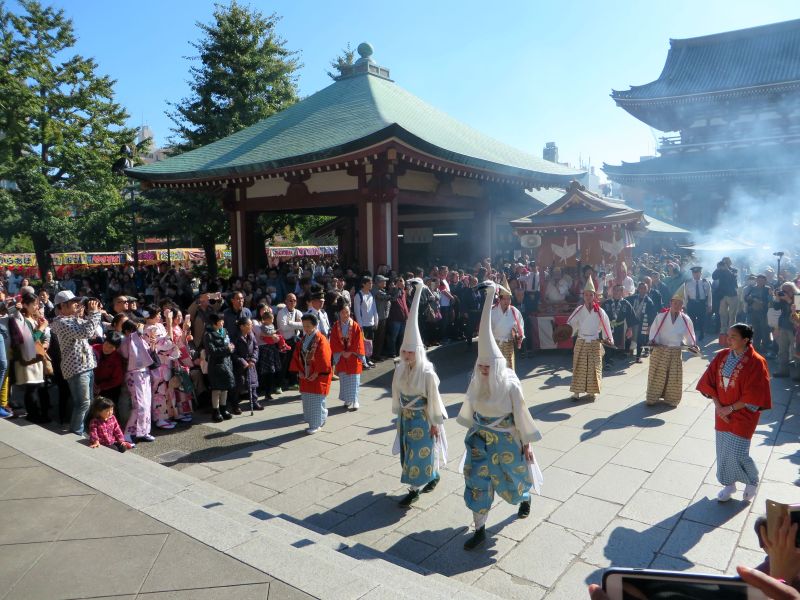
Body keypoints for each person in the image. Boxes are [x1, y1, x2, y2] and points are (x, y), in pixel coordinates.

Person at [458, 281, 542, 551]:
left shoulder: (511, 384)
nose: (482, 370)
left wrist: (526, 445)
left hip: (507, 439)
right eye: (479, 365)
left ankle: (525, 496)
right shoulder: (476, 381)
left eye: (487, 366)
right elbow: (470, 408)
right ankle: (479, 527)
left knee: (513, 478)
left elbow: (521, 414)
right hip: (480, 439)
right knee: (477, 483)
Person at [697, 323, 771, 502]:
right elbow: (710, 382)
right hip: (721, 412)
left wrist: (728, 408)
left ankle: (752, 480)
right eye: (728, 336)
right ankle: (729, 484)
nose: (728, 340)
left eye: (733, 337)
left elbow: (754, 394)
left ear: (745, 340)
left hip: (743, 413)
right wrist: (718, 407)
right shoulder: (722, 356)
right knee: (722, 450)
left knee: (738, 452)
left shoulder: (757, 362)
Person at [391, 278, 447, 507]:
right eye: (404, 351)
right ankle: (431, 475)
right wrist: (399, 413)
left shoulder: (427, 373)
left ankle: (414, 488)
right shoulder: (400, 369)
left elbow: (434, 398)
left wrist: (435, 422)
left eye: (410, 352)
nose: (406, 355)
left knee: (420, 452)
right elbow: (396, 393)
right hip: (406, 418)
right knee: (409, 452)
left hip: (423, 418)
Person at [50, 290, 103, 436]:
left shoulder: (73, 319)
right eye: (74, 302)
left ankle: (81, 429)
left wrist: (92, 312)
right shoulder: (61, 322)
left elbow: (93, 332)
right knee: (83, 403)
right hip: (77, 368)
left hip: (86, 365)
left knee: (89, 402)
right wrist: (94, 314)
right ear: (62, 306)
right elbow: (84, 333)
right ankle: (76, 431)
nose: (78, 304)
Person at [646, 285, 697, 407]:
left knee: (673, 376)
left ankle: (671, 399)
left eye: (680, 303)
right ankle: (653, 398)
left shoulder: (686, 319)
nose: (677, 305)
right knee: (658, 375)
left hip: (675, 351)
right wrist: (653, 341)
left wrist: (692, 345)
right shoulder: (661, 317)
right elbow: (654, 331)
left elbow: (690, 335)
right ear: (670, 303)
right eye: (675, 303)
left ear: (682, 305)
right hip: (661, 350)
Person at [567, 278, 612, 402]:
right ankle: (576, 392)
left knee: (594, 367)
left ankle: (593, 391)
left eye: (590, 295)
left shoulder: (600, 311)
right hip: (581, 340)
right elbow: (570, 324)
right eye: (586, 294)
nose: (588, 297)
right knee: (578, 367)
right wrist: (565, 332)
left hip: (594, 341)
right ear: (583, 296)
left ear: (594, 296)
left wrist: (608, 338)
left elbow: (606, 325)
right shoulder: (579, 310)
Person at [290, 313, 332, 434]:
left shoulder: (321, 339)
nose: (306, 328)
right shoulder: (303, 339)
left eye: (309, 325)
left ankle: (316, 424)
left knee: (316, 399)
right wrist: (299, 371)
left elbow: (324, 358)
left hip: (318, 374)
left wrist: (317, 372)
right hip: (305, 373)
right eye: (304, 326)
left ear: (315, 325)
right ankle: (320, 417)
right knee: (308, 399)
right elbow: (297, 356)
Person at [119, 320, 155, 443]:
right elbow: (126, 354)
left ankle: (144, 431)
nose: (138, 332)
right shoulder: (125, 341)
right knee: (139, 405)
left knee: (147, 403)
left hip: (145, 373)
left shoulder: (141, 339)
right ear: (128, 331)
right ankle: (128, 432)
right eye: (134, 330)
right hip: (133, 374)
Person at [329, 304, 365, 411]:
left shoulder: (355, 326)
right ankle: (347, 400)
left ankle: (355, 400)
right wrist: (341, 352)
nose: (345, 314)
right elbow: (334, 341)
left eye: (347, 312)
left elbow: (358, 341)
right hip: (342, 357)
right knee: (344, 379)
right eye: (343, 312)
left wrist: (350, 352)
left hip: (353, 356)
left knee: (354, 379)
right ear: (339, 314)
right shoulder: (336, 326)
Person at [204, 313, 236, 423]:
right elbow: (212, 351)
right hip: (216, 364)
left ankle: (224, 408)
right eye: (220, 321)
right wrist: (227, 349)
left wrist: (231, 347)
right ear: (214, 323)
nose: (222, 322)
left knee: (225, 388)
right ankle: (216, 411)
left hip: (226, 362)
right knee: (217, 388)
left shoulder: (225, 331)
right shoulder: (209, 335)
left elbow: (229, 343)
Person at [491, 279, 524, 371]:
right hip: (495, 344)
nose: (507, 301)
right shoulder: (492, 311)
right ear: (499, 299)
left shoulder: (514, 311)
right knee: (496, 369)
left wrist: (518, 335)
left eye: (508, 298)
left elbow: (520, 326)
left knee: (508, 369)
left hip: (509, 344)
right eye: (504, 299)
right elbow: (487, 328)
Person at [233, 316, 261, 412]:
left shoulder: (251, 335)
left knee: (253, 383)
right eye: (249, 325)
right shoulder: (235, 337)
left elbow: (256, 348)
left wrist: (253, 360)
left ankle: (254, 402)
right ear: (242, 327)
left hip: (251, 363)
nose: (251, 326)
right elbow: (234, 353)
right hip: (240, 365)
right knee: (238, 385)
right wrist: (243, 362)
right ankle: (235, 405)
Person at [276, 293, 304, 391]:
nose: (292, 302)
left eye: (294, 300)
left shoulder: (299, 312)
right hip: (284, 342)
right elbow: (283, 327)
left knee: (295, 362)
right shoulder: (281, 313)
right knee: (283, 364)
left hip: (295, 340)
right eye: (290, 300)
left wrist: (291, 323)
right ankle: (278, 385)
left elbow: (303, 325)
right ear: (286, 301)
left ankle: (293, 382)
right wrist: (297, 324)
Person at [771, 282, 798, 378]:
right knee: (782, 350)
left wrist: (789, 300)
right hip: (783, 326)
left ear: (792, 290)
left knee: (796, 351)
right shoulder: (782, 298)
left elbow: (798, 311)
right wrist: (777, 298)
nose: (784, 292)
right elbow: (775, 307)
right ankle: (783, 371)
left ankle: (797, 374)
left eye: (787, 290)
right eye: (783, 290)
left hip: (794, 328)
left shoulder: (797, 297)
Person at [601, 284, 636, 358]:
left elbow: (631, 316)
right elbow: (600, 315)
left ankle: (620, 353)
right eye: (615, 290)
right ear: (612, 291)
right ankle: (608, 355)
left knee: (621, 340)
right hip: (609, 326)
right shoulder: (606, 303)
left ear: (622, 292)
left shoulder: (626, 303)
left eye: (618, 290)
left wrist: (630, 329)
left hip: (621, 326)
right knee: (608, 341)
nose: (616, 292)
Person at [92, 331, 124, 407]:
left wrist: (101, 387)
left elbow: (117, 380)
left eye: (111, 347)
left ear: (115, 348)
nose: (107, 348)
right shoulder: (94, 348)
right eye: (106, 344)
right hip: (91, 381)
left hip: (106, 388)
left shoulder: (117, 360)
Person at [353, 276, 378, 367]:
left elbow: (374, 308)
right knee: (362, 344)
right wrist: (360, 325)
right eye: (369, 283)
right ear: (363, 284)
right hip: (363, 324)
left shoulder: (371, 294)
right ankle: (363, 362)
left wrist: (376, 320)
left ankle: (368, 360)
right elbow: (357, 311)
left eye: (371, 283)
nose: (371, 284)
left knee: (370, 343)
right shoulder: (358, 295)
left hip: (371, 323)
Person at [714, 259, 739, 345]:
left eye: (726, 262)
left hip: (732, 295)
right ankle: (723, 331)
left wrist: (726, 269)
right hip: (723, 295)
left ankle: (731, 332)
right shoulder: (720, 270)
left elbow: (732, 277)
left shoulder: (734, 270)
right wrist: (718, 268)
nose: (724, 264)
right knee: (722, 314)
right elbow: (714, 277)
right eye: (723, 262)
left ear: (729, 263)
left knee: (732, 315)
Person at [745, 274, 772, 355]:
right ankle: (756, 347)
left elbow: (770, 300)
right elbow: (746, 298)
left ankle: (765, 347)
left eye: (762, 280)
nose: (760, 282)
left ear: (765, 281)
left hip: (763, 312)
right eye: (758, 280)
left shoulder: (768, 289)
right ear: (756, 280)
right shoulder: (752, 288)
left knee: (765, 330)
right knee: (755, 330)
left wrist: (761, 302)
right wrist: (750, 299)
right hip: (753, 312)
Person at [685, 266, 712, 340]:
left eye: (697, 273)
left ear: (701, 273)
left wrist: (709, 305)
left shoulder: (705, 282)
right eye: (694, 273)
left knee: (701, 320)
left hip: (701, 303)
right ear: (692, 274)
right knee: (691, 320)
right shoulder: (688, 283)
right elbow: (686, 295)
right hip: (692, 303)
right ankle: (691, 335)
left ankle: (701, 333)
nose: (696, 274)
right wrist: (684, 305)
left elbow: (709, 294)